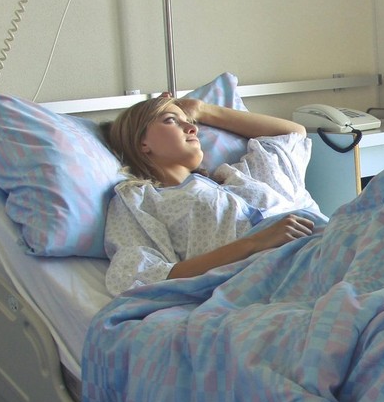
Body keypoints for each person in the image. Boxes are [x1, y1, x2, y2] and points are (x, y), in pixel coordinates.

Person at [102, 94, 323, 294]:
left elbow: (292, 134)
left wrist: (201, 110)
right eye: (171, 120)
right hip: (277, 277)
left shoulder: (235, 177)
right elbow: (139, 276)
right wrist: (254, 243)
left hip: (319, 246)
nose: (192, 128)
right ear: (142, 143)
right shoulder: (139, 200)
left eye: (190, 121)